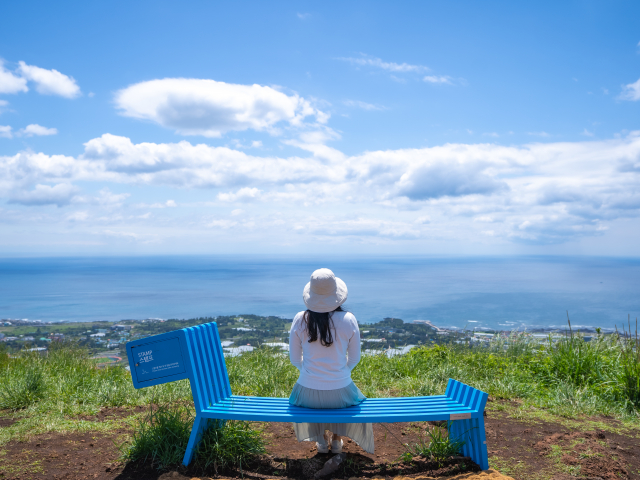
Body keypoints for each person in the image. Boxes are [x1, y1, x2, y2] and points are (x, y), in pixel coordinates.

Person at [288, 268, 374, 454]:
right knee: (348, 398)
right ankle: (336, 440)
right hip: (340, 392)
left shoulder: (299, 319)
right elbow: (354, 358)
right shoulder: (348, 319)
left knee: (309, 401)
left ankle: (320, 441)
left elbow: (294, 359)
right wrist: (340, 372)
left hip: (307, 393)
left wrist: (310, 373)